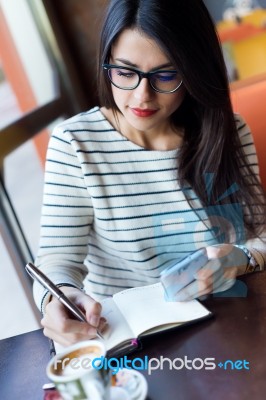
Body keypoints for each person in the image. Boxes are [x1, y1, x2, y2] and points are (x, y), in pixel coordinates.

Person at [34, 0, 266, 346]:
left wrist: (241, 258)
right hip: (129, 339)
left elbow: (260, 233)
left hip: (227, 325)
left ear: (194, 71)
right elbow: (57, 259)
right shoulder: (76, 144)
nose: (142, 96)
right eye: (125, 72)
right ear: (107, 62)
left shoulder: (227, 132)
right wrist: (59, 297)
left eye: (167, 75)